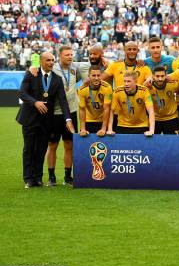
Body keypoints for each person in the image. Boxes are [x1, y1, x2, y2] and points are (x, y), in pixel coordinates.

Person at [17, 52, 74, 188]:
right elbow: (22, 93)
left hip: (46, 120)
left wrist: (67, 119)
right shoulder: (31, 74)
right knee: (29, 149)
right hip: (30, 118)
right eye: (48, 60)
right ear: (41, 61)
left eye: (52, 60)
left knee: (41, 149)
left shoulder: (57, 79)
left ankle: (38, 177)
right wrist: (35, 102)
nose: (51, 63)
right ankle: (28, 179)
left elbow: (63, 101)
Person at [47, 45, 86, 186]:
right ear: (59, 56)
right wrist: (33, 66)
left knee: (69, 144)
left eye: (71, 54)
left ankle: (67, 177)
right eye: (67, 55)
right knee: (52, 145)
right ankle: (51, 177)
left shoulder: (75, 68)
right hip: (55, 113)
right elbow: (39, 65)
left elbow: (93, 63)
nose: (70, 57)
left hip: (72, 111)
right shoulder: (52, 68)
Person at [107, 71, 155, 136]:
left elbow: (151, 111)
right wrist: (110, 129)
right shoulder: (117, 91)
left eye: (129, 81)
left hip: (141, 125)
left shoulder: (144, 91)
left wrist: (151, 130)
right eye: (124, 81)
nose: (126, 84)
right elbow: (111, 111)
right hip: (123, 125)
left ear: (135, 81)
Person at [78, 65, 112, 137]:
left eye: (98, 75)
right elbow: (82, 109)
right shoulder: (82, 89)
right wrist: (83, 128)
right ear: (88, 76)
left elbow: (107, 108)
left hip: (103, 120)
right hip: (88, 120)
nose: (96, 78)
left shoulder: (107, 88)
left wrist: (103, 128)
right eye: (93, 75)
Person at [150, 66, 179, 134]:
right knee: (153, 142)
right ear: (153, 76)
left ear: (166, 76)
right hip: (155, 119)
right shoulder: (148, 87)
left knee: (172, 142)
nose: (160, 79)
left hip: (171, 119)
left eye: (162, 76)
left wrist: (173, 78)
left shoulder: (173, 84)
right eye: (157, 76)